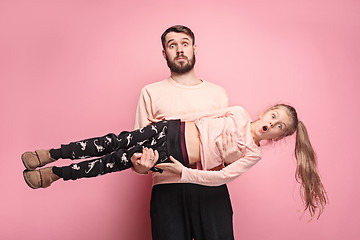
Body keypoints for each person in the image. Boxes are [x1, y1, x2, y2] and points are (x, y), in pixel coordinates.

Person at [22, 103, 328, 220]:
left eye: (279, 127)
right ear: (266, 111)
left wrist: (184, 173)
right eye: (274, 116)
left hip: (175, 157)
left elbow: (221, 177)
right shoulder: (238, 112)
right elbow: (204, 116)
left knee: (113, 161)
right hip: (171, 129)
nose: (273, 124)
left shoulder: (253, 154)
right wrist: (171, 119)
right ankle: (52, 154)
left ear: (277, 136)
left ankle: (56, 174)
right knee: (112, 141)